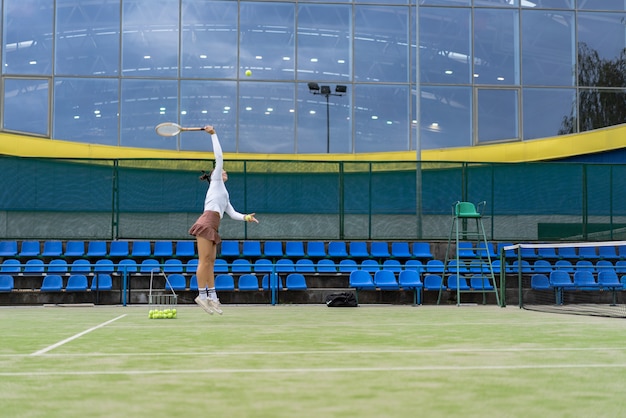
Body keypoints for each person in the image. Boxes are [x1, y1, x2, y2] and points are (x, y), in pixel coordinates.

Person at [188, 125, 258, 315]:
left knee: (211, 262)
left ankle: (212, 296)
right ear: (215, 175)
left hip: (214, 226)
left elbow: (233, 213)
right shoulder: (216, 182)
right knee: (203, 261)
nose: (224, 172)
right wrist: (213, 135)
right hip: (204, 224)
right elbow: (219, 157)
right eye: (221, 171)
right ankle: (201, 296)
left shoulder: (224, 194)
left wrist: (247, 217)